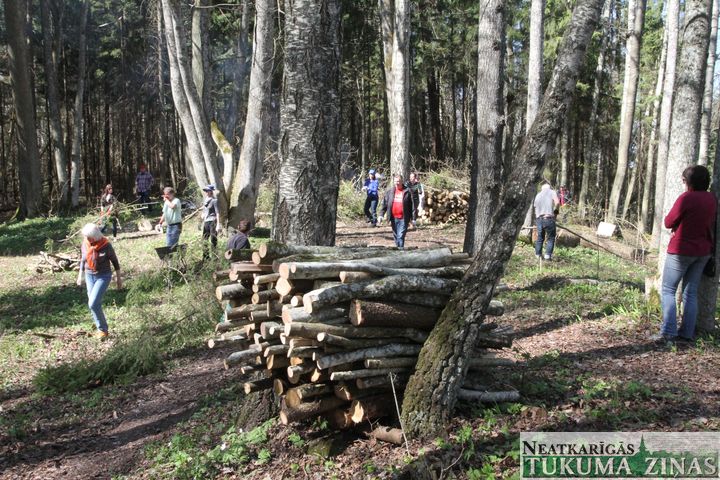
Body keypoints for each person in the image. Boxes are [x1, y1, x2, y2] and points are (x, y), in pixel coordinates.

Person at [652, 165, 717, 344]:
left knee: (668, 290)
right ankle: (687, 333)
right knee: (691, 292)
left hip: (681, 251)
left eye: (683, 180)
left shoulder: (686, 198)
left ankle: (668, 332)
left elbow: (668, 221)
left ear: (690, 182)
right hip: (703, 252)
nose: (683, 183)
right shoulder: (712, 198)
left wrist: (676, 225)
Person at [76, 223, 122, 339]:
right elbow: (83, 260)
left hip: (103, 276)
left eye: (89, 237)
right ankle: (100, 327)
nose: (86, 239)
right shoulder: (85, 243)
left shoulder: (106, 245)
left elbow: (115, 262)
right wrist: (80, 275)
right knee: (93, 304)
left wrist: (118, 279)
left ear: (95, 236)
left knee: (93, 303)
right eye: (86, 236)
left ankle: (103, 330)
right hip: (89, 275)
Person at [380, 174, 415, 248]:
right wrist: (381, 215)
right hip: (393, 218)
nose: (397, 183)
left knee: (400, 236)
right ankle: (398, 250)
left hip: (404, 218)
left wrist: (413, 218)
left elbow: (412, 206)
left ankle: (400, 251)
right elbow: (385, 204)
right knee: (396, 236)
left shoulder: (407, 191)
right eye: (396, 181)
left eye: (399, 181)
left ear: (402, 181)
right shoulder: (390, 192)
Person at [533, 183, 560, 260]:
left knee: (540, 238)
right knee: (551, 238)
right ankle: (547, 256)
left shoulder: (538, 195)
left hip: (539, 219)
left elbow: (535, 206)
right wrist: (556, 212)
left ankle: (538, 255)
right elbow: (557, 203)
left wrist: (537, 217)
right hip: (549, 218)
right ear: (549, 188)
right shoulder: (552, 192)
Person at [201, 184, 219, 259]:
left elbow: (217, 213)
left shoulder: (214, 200)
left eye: (208, 191)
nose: (206, 192)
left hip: (213, 221)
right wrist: (202, 215)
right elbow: (204, 210)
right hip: (206, 221)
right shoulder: (205, 200)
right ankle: (206, 257)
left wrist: (218, 225)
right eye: (206, 191)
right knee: (204, 239)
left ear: (211, 191)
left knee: (213, 239)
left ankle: (214, 257)